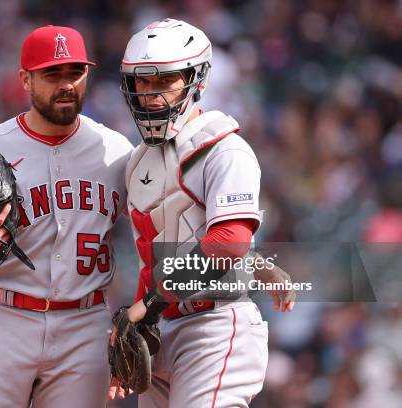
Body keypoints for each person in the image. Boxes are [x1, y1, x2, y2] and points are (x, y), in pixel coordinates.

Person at [0, 25, 133, 407]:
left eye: (75, 72)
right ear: (25, 79)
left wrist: (137, 315)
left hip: (84, 327)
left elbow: (152, 233)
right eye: (52, 74)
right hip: (3, 319)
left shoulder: (116, 151)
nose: (66, 83)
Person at [109, 19, 295, 407]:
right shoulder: (138, 160)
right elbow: (184, 237)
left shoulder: (225, 150)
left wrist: (146, 305)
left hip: (214, 325)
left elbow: (227, 244)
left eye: (166, 80)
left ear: (197, 80)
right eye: (143, 82)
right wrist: (263, 267)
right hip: (160, 333)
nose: (152, 94)